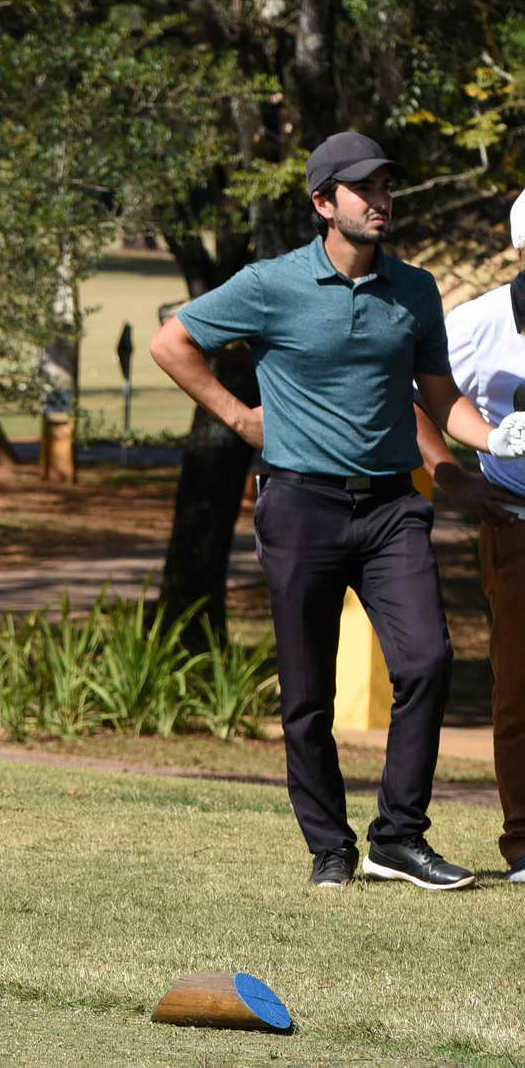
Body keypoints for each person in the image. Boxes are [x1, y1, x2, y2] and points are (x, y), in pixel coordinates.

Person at [149, 130, 525, 891]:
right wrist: (240, 418)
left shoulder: (414, 289)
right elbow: (172, 342)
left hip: (391, 506)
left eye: (386, 186)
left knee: (428, 661)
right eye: (366, 188)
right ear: (324, 202)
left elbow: (440, 395)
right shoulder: (270, 284)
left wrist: (494, 436)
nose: (382, 200)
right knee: (307, 693)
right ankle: (329, 847)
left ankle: (398, 837)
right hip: (301, 505)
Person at [413, 186, 525, 883]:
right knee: (521, 689)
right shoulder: (480, 322)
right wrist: (451, 475)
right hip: (518, 525)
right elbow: (414, 396)